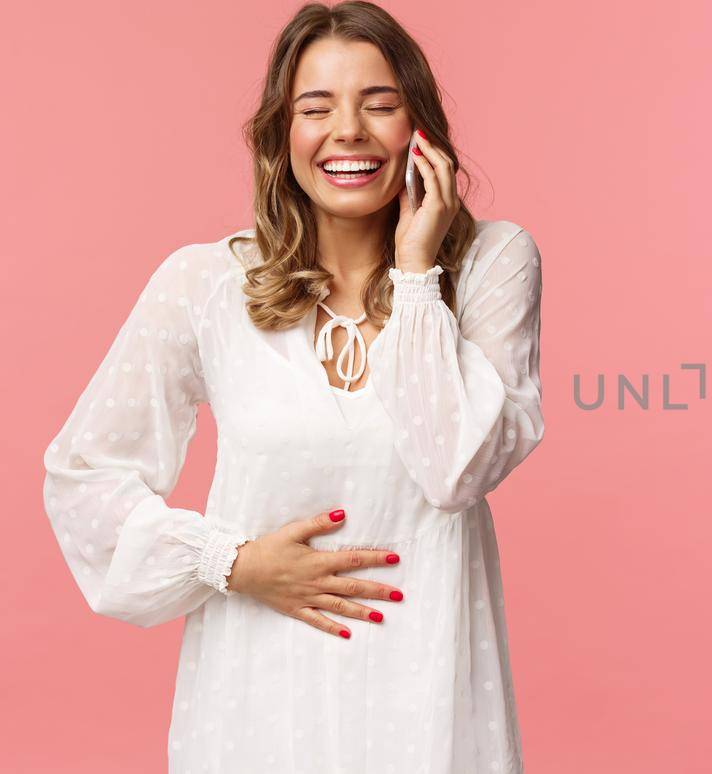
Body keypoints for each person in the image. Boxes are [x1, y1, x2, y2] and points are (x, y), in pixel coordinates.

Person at [40, 2, 544, 771]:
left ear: (422, 130)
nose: (349, 130)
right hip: (258, 703)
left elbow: (456, 471)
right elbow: (84, 479)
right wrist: (231, 562)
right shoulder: (204, 283)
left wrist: (416, 272)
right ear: (283, 134)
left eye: (379, 104)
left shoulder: (490, 267)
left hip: (427, 699)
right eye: (317, 108)